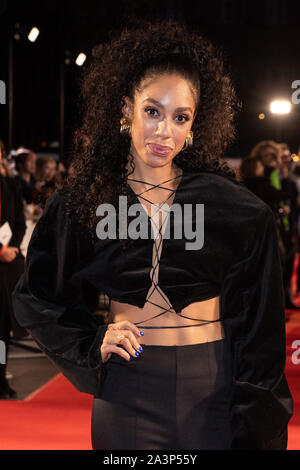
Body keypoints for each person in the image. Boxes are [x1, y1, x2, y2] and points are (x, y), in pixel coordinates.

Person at [12, 19, 293, 450]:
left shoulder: (235, 210)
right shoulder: (85, 201)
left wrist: (259, 420)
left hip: (212, 389)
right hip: (127, 390)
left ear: (196, 122)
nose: (165, 131)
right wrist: (89, 343)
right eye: (152, 111)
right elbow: (36, 295)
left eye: (180, 117)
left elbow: (261, 329)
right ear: (126, 108)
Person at [0, 149, 27, 398]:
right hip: (2, 255)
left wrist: (12, 247)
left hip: (7, 267)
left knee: (3, 330)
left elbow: (19, 221)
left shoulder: (10, 186)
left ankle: (1, 378)